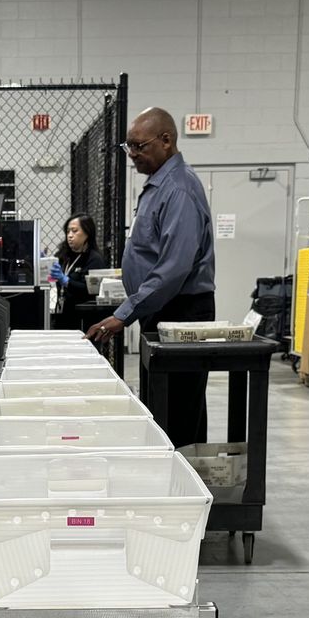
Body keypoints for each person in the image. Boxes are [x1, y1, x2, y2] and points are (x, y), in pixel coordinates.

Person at [88, 107, 217, 448]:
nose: (132, 154)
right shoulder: (158, 186)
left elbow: (174, 268)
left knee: (178, 410)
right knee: (163, 404)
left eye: (139, 146)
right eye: (127, 146)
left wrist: (123, 314)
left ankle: (183, 487)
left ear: (166, 140)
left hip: (182, 313)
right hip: (161, 311)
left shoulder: (179, 189)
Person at [51, 212, 102, 319]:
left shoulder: (94, 259)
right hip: (63, 312)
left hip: (83, 316)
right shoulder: (63, 256)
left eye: (74, 231)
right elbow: (52, 279)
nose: (69, 235)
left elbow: (89, 291)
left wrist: (66, 281)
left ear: (87, 233)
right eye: (68, 231)